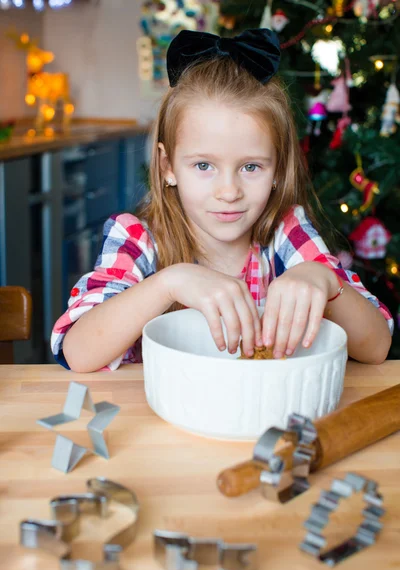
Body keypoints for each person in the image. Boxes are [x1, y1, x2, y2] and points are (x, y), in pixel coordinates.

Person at [51, 29, 393, 373]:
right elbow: (77, 352)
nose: (229, 191)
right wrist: (170, 282)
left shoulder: (285, 232)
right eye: (204, 165)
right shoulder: (137, 239)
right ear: (168, 166)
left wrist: (325, 281)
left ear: (277, 168)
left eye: (250, 167)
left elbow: (377, 347)